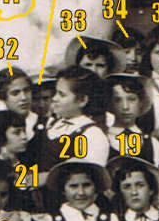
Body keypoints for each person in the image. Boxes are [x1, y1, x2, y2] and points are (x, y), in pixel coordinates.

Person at [35, 66, 109, 196]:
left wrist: (43, 178)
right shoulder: (52, 124)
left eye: (62, 95)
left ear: (82, 100)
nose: (54, 98)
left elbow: (90, 176)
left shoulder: (92, 134)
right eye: (55, 93)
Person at [104, 72, 159, 165]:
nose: (125, 107)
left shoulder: (152, 144)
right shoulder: (103, 139)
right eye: (117, 100)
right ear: (110, 103)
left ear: (141, 102)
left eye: (131, 99)